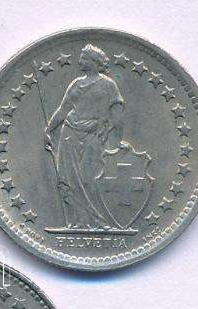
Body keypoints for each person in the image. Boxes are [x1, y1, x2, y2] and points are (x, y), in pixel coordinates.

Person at [44, 44, 124, 229]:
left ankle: (99, 221)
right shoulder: (76, 84)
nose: (80, 61)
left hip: (93, 134)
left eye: (84, 58)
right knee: (68, 178)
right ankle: (77, 222)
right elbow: (63, 109)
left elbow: (117, 113)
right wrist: (48, 129)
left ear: (94, 62)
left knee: (89, 177)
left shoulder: (108, 85)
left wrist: (117, 139)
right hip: (70, 133)